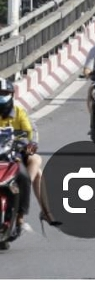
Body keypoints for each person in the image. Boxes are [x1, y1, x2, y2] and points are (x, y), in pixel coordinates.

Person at [0, 78, 58, 234]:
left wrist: (26, 147)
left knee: (32, 167)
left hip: (14, 155)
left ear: (11, 95)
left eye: (4, 93)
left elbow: (30, 135)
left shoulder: (19, 112)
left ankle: (21, 214)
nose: (1, 96)